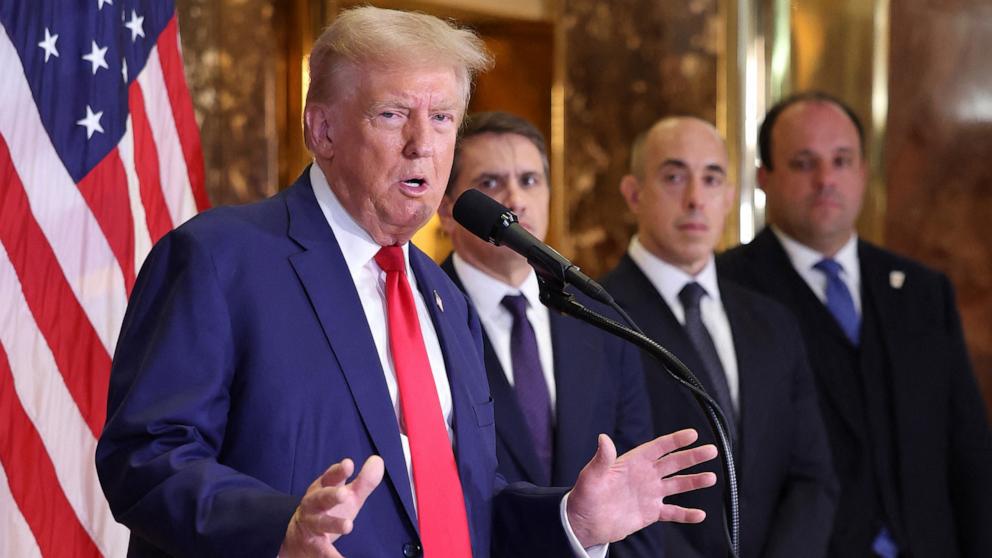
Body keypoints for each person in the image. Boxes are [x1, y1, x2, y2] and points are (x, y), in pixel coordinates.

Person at [95, 7, 719, 558]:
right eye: (393, 114)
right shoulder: (217, 259)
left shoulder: (443, 298)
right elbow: (144, 459)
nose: (423, 145)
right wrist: (278, 527)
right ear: (324, 131)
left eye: (443, 117)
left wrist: (571, 519)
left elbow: (459, 502)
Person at [718, 92, 992, 557]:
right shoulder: (727, 289)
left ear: (864, 172)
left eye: (841, 161)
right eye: (804, 163)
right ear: (765, 177)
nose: (826, 180)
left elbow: (968, 452)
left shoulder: (925, 293)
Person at [600, 116, 838, 557]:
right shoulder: (595, 317)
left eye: (711, 179)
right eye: (674, 177)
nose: (695, 199)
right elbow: (599, 480)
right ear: (634, 193)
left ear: (730, 196)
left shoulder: (772, 322)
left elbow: (813, 477)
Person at [437, 111, 660, 557]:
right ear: (447, 211)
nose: (515, 199)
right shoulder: (426, 313)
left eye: (530, 180)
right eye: (491, 183)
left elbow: (639, 491)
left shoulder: (602, 319)